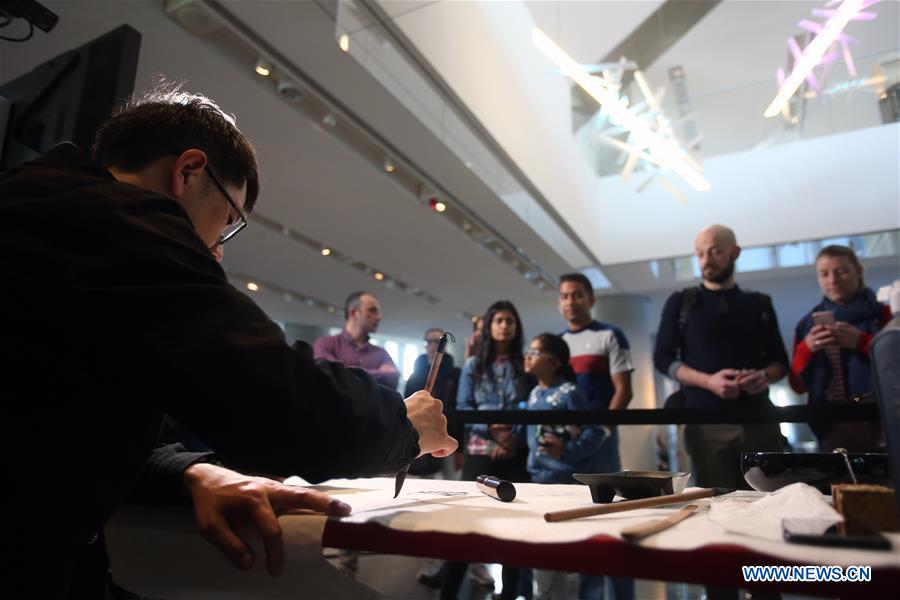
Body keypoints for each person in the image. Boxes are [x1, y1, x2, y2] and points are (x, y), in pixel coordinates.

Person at [0, 84, 456, 600]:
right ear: (189, 171)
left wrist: (188, 470)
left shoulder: (36, 204)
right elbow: (272, 398)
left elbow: (61, 424)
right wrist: (402, 425)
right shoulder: (115, 224)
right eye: (228, 221)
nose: (217, 250)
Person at [653, 224, 788, 490]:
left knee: (768, 499)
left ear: (735, 253)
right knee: (715, 502)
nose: (706, 260)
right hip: (704, 423)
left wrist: (763, 376)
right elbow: (662, 358)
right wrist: (709, 382)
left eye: (715, 252)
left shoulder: (759, 304)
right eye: (700, 253)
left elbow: (780, 363)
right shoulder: (681, 302)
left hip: (759, 420)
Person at [440, 300, 533, 600]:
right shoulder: (473, 365)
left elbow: (531, 406)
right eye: (499, 320)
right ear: (489, 326)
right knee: (466, 526)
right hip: (480, 449)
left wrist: (511, 438)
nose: (504, 326)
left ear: (516, 327)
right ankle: (447, 594)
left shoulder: (524, 364)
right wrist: (494, 432)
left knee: (516, 528)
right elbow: (464, 408)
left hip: (515, 451)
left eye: (510, 321)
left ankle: (510, 595)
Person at [558, 275, 634, 599]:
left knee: (610, 518)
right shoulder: (557, 343)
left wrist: (603, 431)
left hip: (602, 443)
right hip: (569, 445)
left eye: (577, 295)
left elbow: (623, 391)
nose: (570, 301)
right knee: (580, 521)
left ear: (591, 299)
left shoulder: (610, 335)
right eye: (564, 296)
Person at [524, 333, 603, 600]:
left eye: (534, 352)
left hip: (565, 483)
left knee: (567, 553)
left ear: (553, 362)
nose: (528, 356)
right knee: (542, 551)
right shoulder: (534, 394)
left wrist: (566, 451)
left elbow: (594, 432)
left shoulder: (570, 393)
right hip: (538, 482)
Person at [791, 245, 891, 451]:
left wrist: (862, 342)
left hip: (883, 418)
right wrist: (807, 348)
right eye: (824, 274)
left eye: (841, 271)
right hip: (830, 423)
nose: (832, 280)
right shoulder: (806, 324)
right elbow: (797, 385)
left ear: (859, 271)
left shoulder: (884, 314)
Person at [313, 291, 400, 389]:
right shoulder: (325, 344)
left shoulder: (381, 353)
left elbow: (392, 378)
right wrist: (379, 373)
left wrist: (345, 372)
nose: (379, 317)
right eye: (372, 310)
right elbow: (328, 376)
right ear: (354, 313)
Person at [406, 328, 462, 476]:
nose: (432, 345)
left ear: (444, 345)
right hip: (421, 432)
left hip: (449, 432)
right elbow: (407, 407)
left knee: (450, 476)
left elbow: (459, 405)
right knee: (424, 476)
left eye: (437, 341)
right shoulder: (414, 376)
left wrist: (460, 446)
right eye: (429, 341)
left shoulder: (455, 374)